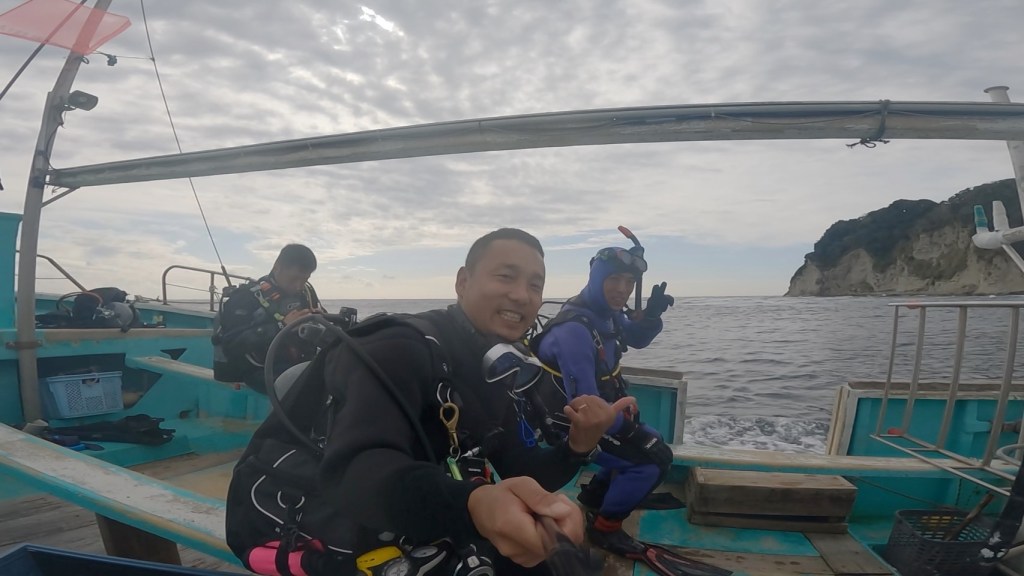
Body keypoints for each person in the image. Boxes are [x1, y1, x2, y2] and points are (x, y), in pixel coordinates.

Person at [319, 228, 636, 574]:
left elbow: (523, 470)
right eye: (506, 277)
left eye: (535, 285)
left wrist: (577, 445)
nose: (521, 295)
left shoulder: (496, 365)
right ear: (463, 282)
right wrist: (474, 503)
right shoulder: (398, 348)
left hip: (442, 516)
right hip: (357, 533)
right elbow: (354, 471)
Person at [531, 244, 675, 556]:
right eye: (614, 279)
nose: (622, 289)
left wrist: (651, 316)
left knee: (654, 442)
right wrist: (632, 432)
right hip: (570, 423)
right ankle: (605, 528)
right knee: (652, 461)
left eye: (629, 282)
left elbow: (635, 338)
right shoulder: (574, 331)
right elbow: (584, 408)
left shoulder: (605, 315)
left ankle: (596, 496)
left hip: (600, 412)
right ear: (597, 278)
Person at [213, 243, 322, 394]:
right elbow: (231, 345)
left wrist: (319, 322)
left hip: (295, 364)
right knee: (306, 388)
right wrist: (281, 326)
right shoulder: (245, 298)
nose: (299, 286)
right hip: (257, 370)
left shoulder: (305, 295)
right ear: (277, 267)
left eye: (305, 280)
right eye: (294, 279)